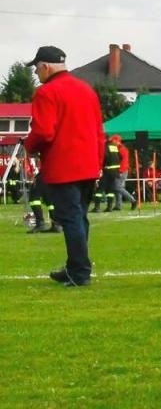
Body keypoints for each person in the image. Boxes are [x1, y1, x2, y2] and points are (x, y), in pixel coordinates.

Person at [23, 45, 105, 286]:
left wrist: (28, 144)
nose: (37, 75)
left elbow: (44, 131)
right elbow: (99, 131)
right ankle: (74, 266)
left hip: (63, 166)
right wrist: (97, 162)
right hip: (89, 166)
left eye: (37, 70)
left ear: (45, 67)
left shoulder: (46, 93)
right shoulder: (87, 90)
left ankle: (79, 272)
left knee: (70, 219)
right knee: (80, 218)